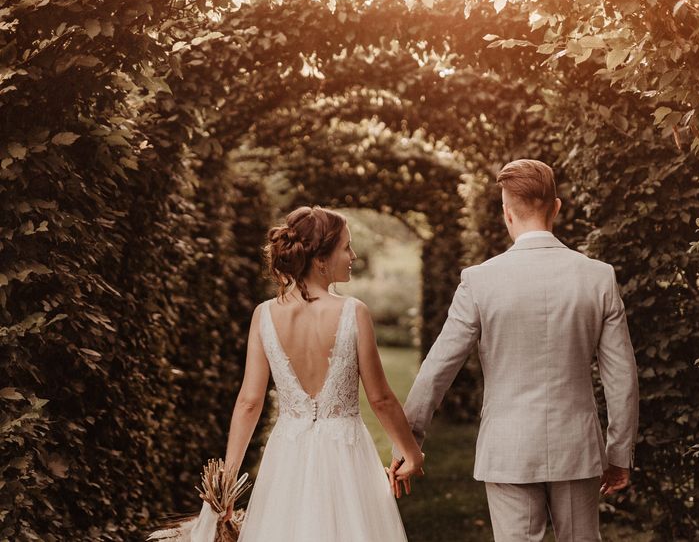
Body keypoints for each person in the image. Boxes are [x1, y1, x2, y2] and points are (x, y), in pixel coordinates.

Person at [389, 159, 639, 541]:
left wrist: (409, 441)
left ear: (506, 213)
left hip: (508, 449)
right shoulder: (598, 276)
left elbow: (438, 368)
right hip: (577, 448)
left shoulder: (479, 281)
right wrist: (619, 453)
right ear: (556, 207)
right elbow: (621, 377)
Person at [220, 205, 424, 541]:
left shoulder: (264, 315)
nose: (353, 255)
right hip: (346, 454)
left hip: (287, 455)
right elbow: (381, 399)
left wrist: (227, 482)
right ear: (320, 259)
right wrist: (412, 453)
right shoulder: (353, 312)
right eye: (346, 246)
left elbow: (248, 402)